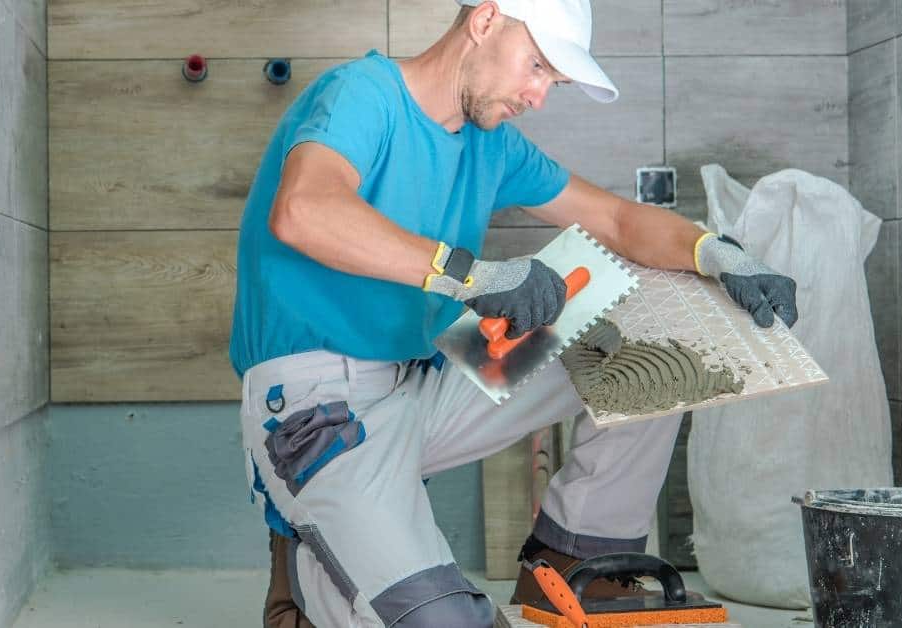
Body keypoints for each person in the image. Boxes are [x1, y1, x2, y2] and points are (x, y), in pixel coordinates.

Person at [228, 1, 799, 626]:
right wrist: (472, 276)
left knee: (652, 313)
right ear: (484, 22)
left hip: (425, 386)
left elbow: (615, 220)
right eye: (536, 67)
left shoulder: (491, 144)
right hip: (319, 409)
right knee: (444, 621)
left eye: (550, 81)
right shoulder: (361, 94)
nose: (538, 96)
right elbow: (304, 211)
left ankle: (573, 562)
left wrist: (714, 253)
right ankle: (308, 569)